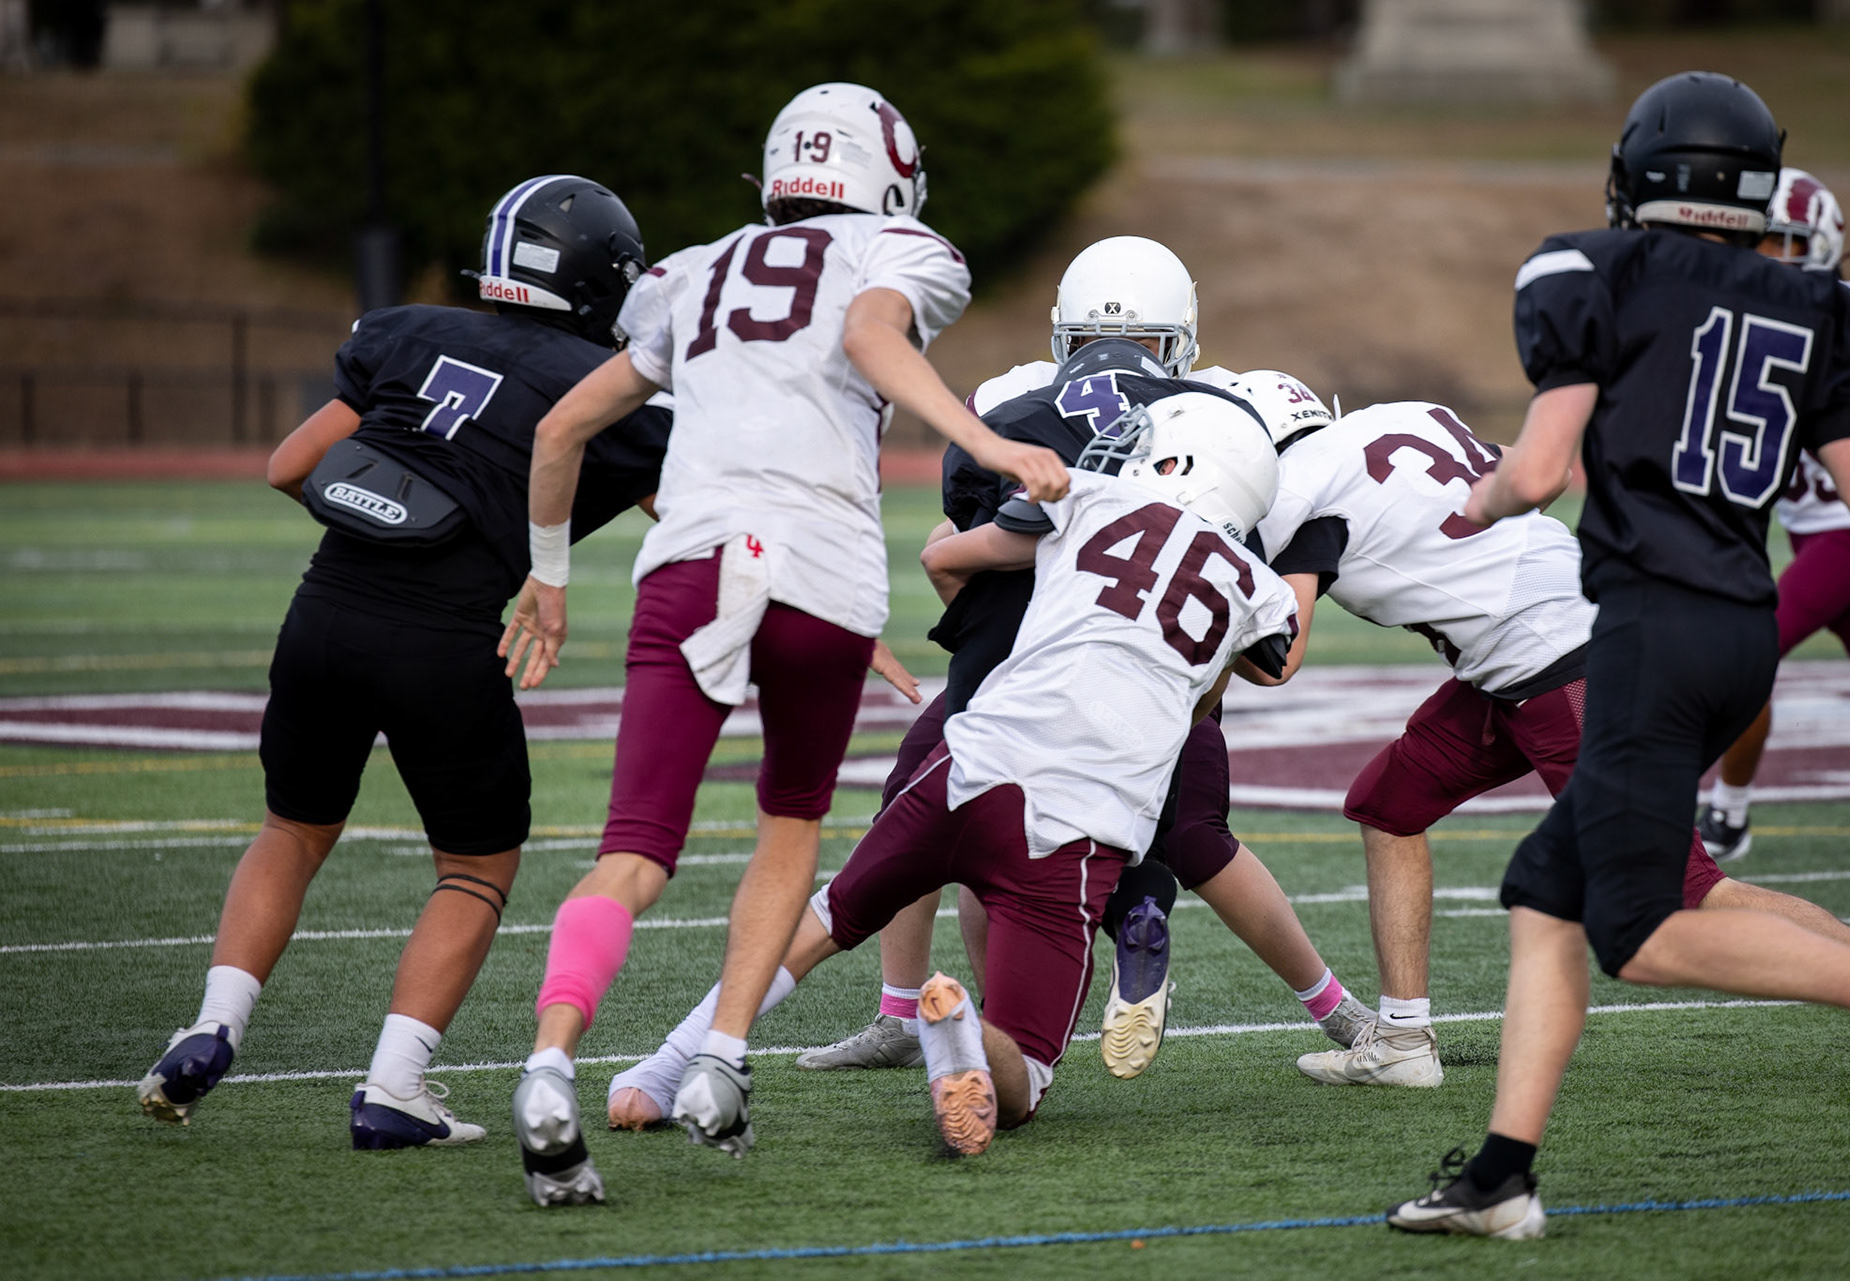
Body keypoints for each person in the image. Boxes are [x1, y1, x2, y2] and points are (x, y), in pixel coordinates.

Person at [500, 83, 1069, 1206]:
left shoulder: (693, 268)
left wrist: (548, 579)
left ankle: (549, 1061)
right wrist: (985, 441)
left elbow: (564, 427)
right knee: (790, 822)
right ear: (887, 172)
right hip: (823, 562)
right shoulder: (905, 249)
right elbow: (867, 329)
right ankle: (718, 1054)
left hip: (696, 553)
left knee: (635, 851)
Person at [1386, 72, 1850, 1240]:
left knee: (1641, 932)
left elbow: (1537, 473)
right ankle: (1500, 1176)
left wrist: (1474, 507)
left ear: (1639, 173)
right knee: (1544, 894)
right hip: (1739, 629)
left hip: (1649, 626)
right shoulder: (1817, 306)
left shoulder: (1592, 270)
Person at [599, 391, 1298, 1156]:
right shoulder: (1261, 593)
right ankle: (961, 1026)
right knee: (1024, 1079)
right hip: (1072, 824)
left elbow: (957, 552)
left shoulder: (1087, 495)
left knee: (824, 919)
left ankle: (660, 1071)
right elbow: (1210, 703)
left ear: (1176, 462)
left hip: (970, 761)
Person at [136, 176, 669, 1149]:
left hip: (323, 615)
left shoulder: (407, 332)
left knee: (292, 831)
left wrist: (386, 528)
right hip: (447, 641)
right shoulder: (610, 392)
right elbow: (682, 518)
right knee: (474, 868)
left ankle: (211, 1024)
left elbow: (288, 467)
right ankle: (394, 1087)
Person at [788, 241, 1372, 1082]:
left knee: (938, 816)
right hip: (1156, 664)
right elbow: (1285, 545)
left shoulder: (1010, 398)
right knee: (1199, 839)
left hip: (1019, 661)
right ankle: (1333, 1006)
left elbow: (956, 548)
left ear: (1064, 332)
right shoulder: (1239, 405)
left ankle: (919, 1015)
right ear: (1181, 336)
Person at [1252, 399, 1850, 1091]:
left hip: (1565, 666)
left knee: (1685, 890)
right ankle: (1401, 1039)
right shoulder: (1405, 419)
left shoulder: (1303, 492)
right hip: (1546, 641)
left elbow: (1279, 659)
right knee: (1387, 803)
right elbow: (1535, 476)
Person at [1700, 167, 1850, 861]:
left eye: (1777, 240)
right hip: (1806, 526)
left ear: (1818, 242)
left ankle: (1726, 813)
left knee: (1745, 648)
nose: (1761, 253)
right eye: (1752, 238)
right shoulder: (1729, 317)